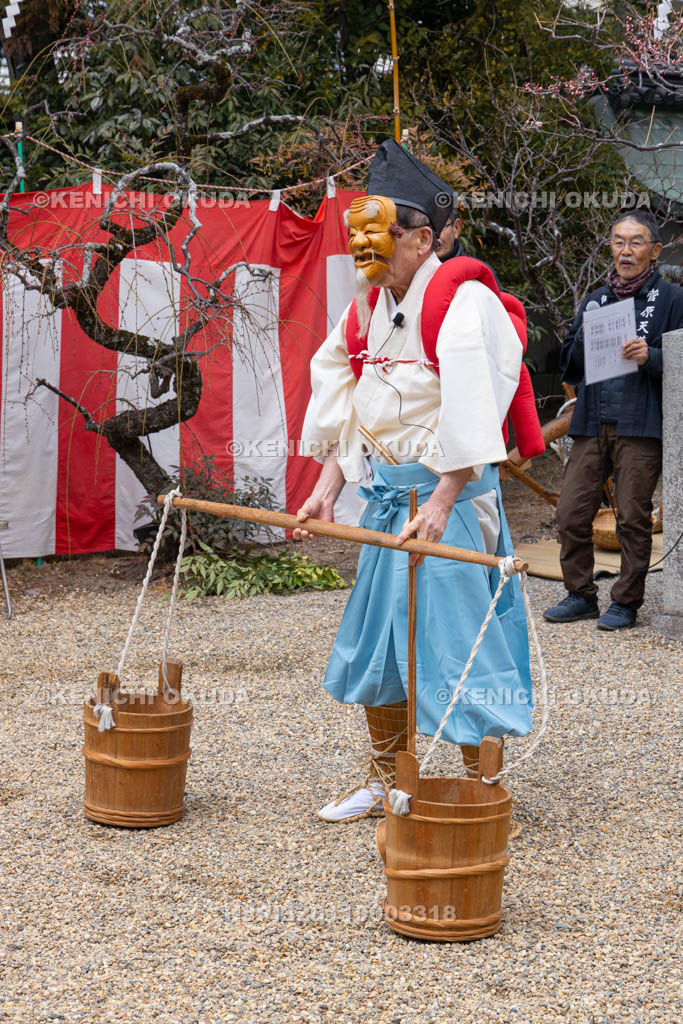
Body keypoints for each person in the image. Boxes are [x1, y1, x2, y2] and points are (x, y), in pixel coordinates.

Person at [295, 139, 533, 822]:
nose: (371, 254)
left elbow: (472, 406)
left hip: (447, 503)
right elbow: (354, 401)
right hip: (385, 500)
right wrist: (327, 484)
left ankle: (474, 790)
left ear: (423, 236)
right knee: (376, 640)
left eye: (386, 237)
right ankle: (383, 779)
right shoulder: (367, 308)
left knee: (463, 646)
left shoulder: (462, 304)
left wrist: (441, 497)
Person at [544, 209, 683, 631]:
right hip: (591, 419)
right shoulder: (596, 298)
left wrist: (651, 357)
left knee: (633, 516)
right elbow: (567, 362)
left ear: (655, 250)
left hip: (640, 424)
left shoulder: (673, 299)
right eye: (619, 242)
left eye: (636, 242)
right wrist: (585, 339)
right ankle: (581, 594)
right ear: (610, 247)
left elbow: (679, 362)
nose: (626, 250)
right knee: (570, 512)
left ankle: (626, 601)